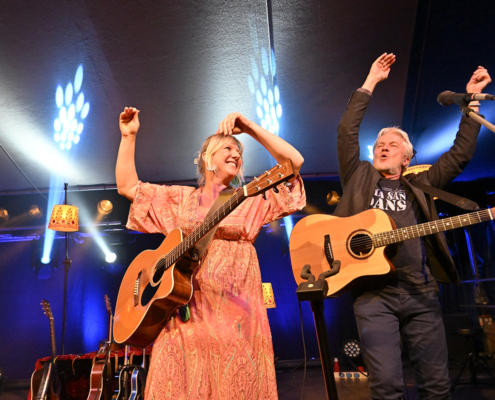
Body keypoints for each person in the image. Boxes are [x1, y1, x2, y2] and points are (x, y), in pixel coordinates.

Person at [116, 109, 305, 399]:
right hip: (184, 314)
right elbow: (128, 187)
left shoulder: (250, 201)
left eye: (239, 151)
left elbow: (294, 163)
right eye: (227, 148)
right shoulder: (178, 199)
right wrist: (128, 137)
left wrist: (251, 128)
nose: (236, 153)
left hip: (237, 317)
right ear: (207, 158)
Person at [335, 53, 491, 399]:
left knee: (436, 387)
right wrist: (371, 81)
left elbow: (461, 154)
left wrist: (473, 101)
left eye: (392, 145)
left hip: (421, 292)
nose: (383, 147)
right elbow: (347, 131)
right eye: (379, 145)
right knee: (387, 386)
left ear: (407, 158)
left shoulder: (422, 183)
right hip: (374, 296)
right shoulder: (359, 175)